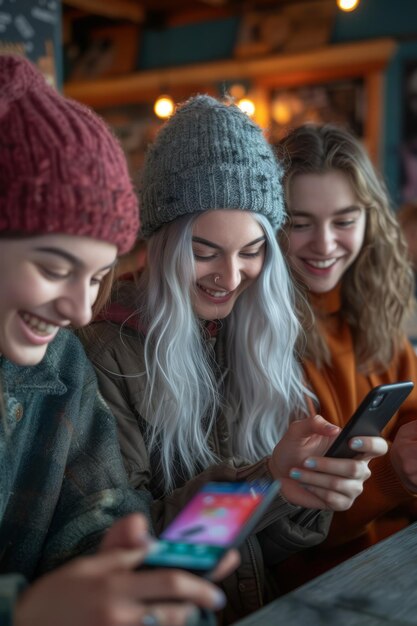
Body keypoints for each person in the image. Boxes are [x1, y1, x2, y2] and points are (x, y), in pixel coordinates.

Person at [81, 96, 387, 624]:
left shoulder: (257, 335)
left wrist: (300, 490)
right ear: (159, 243)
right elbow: (135, 557)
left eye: (251, 251)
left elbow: (267, 553)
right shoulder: (105, 352)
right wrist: (263, 481)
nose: (229, 276)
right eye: (203, 252)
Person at [0, 56, 237, 626]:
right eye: (55, 268)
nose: (81, 309)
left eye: (99, 277)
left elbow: (94, 518)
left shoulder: (59, 360)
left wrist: (140, 587)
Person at [274, 122, 417, 590]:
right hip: (315, 589)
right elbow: (297, 532)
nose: (325, 243)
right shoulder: (260, 339)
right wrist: (396, 477)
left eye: (344, 220)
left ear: (369, 219)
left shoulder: (378, 317)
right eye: (299, 223)